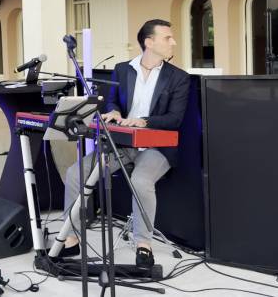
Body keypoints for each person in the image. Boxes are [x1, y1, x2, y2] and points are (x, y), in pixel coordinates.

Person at [58, 19, 190, 269]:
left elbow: (175, 119)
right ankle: (71, 239)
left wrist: (142, 121)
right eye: (167, 37)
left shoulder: (178, 78)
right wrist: (115, 113)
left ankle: (143, 244)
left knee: (141, 180)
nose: (173, 42)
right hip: (121, 145)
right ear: (149, 42)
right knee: (76, 173)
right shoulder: (122, 69)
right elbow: (113, 103)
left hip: (156, 147)